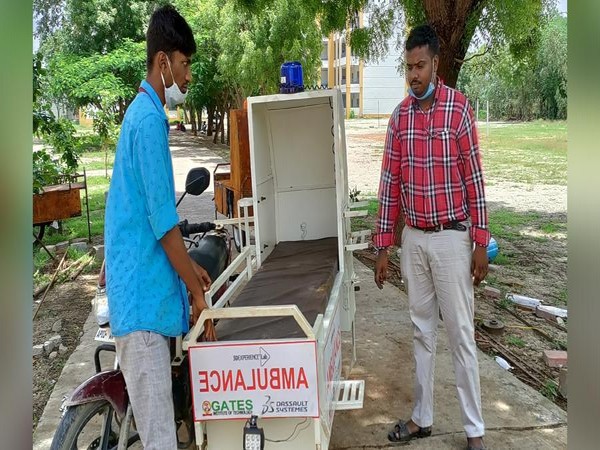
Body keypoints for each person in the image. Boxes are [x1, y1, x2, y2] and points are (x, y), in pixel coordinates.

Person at [104, 5, 216, 449]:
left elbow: (127, 207)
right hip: (143, 309)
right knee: (160, 441)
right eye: (185, 64)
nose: (188, 78)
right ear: (163, 62)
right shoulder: (148, 120)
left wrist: (189, 272)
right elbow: (165, 227)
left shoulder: (140, 115)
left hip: (143, 294)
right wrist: (196, 291)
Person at [373, 24, 489, 450]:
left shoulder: (458, 110)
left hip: (452, 239)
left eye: (420, 65)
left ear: (436, 64)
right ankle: (422, 418)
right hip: (415, 241)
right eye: (408, 67)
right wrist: (384, 245)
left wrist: (480, 240)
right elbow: (389, 185)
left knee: (461, 334)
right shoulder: (399, 119)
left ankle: (474, 431)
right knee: (422, 330)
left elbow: (474, 179)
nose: (414, 74)